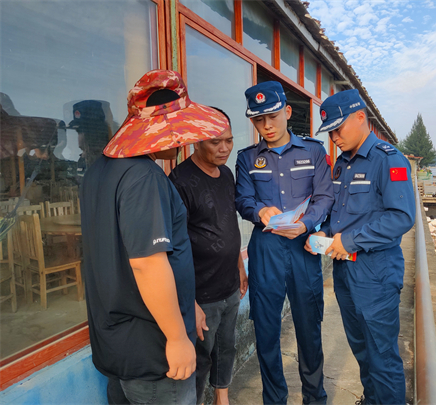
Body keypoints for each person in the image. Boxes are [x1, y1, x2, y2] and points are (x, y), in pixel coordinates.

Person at [80, 69, 230, 405]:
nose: (181, 141)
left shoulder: (98, 171)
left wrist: (187, 304)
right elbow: (147, 263)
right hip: (153, 350)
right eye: (177, 131)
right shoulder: (143, 176)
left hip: (117, 344)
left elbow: (120, 253)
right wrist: (177, 337)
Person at [305, 89, 415, 405]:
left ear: (360, 117)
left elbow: (401, 217)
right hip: (345, 271)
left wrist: (349, 241)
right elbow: (341, 215)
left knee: (382, 356)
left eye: (338, 129)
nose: (334, 137)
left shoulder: (388, 159)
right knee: (362, 350)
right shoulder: (343, 164)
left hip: (376, 273)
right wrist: (324, 233)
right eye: (330, 132)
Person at [235, 81, 333, 405]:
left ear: (287, 112)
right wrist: (259, 211)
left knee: (309, 331)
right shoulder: (247, 158)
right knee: (266, 334)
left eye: (273, 116)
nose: (266, 125)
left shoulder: (313, 151)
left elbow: (324, 196)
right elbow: (242, 199)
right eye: (258, 119)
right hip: (266, 252)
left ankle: (314, 398)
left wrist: (306, 223)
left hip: (303, 250)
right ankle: (274, 399)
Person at [168, 107, 248, 405]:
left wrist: (239, 264)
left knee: (226, 347)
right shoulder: (179, 181)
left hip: (229, 284)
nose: (224, 148)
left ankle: (221, 398)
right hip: (201, 292)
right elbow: (173, 247)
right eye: (215, 142)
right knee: (200, 358)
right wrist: (189, 301)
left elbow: (228, 224)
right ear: (196, 141)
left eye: (228, 140)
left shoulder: (226, 174)